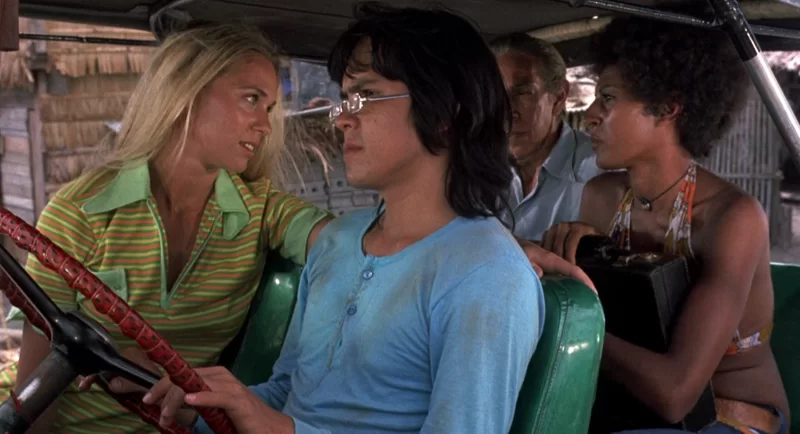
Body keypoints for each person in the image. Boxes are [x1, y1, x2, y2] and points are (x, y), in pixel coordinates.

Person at [135, 4, 545, 433]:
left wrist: (277, 428)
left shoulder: (488, 274)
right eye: (345, 99)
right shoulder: (338, 241)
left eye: (365, 96)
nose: (343, 119)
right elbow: (287, 394)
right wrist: (198, 404)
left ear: (444, 114)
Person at [4, 23, 333, 434]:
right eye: (251, 99)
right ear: (186, 92)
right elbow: (34, 398)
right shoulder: (81, 213)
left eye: (269, 108)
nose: (265, 126)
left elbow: (348, 245)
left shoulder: (262, 210)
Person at [542, 16, 789, 433]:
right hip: (632, 409)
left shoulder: (732, 218)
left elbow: (676, 394)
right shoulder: (601, 197)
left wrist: (567, 321)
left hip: (730, 415)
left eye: (607, 98)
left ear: (667, 108)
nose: (590, 116)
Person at [489, 33, 602, 242]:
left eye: (523, 93)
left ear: (559, 97)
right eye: (494, 95)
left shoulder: (600, 170)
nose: (506, 111)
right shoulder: (474, 171)